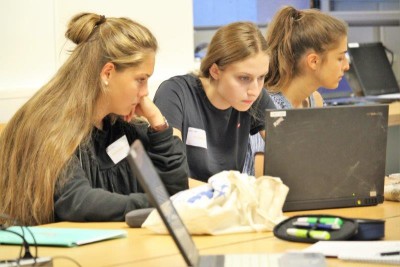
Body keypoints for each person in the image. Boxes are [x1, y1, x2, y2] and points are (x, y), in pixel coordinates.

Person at [0, 13, 188, 226]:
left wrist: (158, 123)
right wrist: (159, 205)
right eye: (140, 80)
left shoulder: (121, 124)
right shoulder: (47, 126)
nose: (145, 93)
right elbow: (78, 201)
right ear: (107, 73)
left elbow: (175, 191)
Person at [154, 22, 276, 182]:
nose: (254, 90)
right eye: (244, 78)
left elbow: (290, 147)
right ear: (215, 71)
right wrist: (231, 193)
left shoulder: (254, 96)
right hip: (185, 203)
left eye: (261, 77)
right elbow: (171, 176)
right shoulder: (175, 93)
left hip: (228, 202)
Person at [243, 5, 350, 175]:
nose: (346, 66)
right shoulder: (264, 106)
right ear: (314, 61)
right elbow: (263, 179)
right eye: (340, 57)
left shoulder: (315, 100)